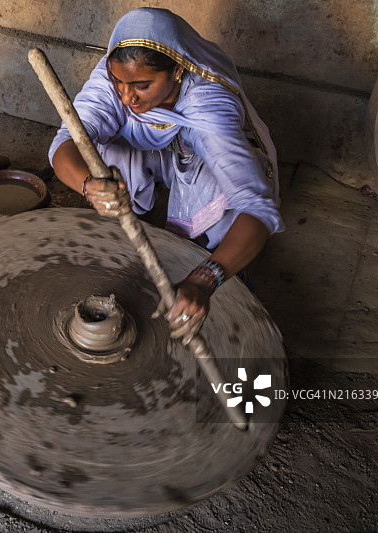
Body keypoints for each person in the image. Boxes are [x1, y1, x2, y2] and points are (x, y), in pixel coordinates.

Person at [49, 7, 284, 342]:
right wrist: (89, 186)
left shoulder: (207, 105)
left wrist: (204, 279)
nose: (127, 96)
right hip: (159, 149)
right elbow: (67, 142)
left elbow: (258, 208)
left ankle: (220, 264)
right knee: (101, 152)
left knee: (217, 208)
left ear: (177, 71)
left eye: (142, 85)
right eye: (119, 81)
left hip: (204, 158)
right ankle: (135, 220)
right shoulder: (114, 77)